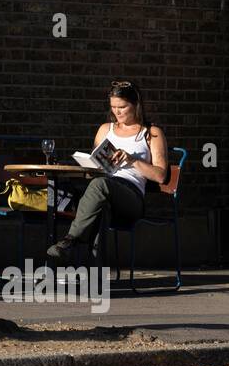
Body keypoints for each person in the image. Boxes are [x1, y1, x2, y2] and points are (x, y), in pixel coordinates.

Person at [46, 81, 168, 261]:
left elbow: (161, 175)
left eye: (122, 107)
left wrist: (132, 160)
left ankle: (70, 241)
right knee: (101, 207)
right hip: (102, 190)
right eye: (113, 107)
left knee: (99, 185)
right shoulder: (105, 129)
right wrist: (91, 166)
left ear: (136, 105)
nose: (116, 112)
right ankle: (95, 278)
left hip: (131, 197)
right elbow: (92, 171)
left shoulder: (151, 133)